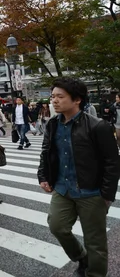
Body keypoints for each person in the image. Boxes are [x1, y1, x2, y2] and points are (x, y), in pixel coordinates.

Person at [38, 78, 120, 277]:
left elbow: (112, 162)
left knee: (95, 241)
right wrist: (43, 175)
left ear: (77, 100)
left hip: (91, 191)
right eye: (53, 96)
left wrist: (107, 194)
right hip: (63, 188)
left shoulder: (98, 126)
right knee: (57, 226)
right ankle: (81, 257)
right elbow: (46, 152)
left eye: (60, 96)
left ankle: (95, 273)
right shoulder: (52, 124)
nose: (54, 101)